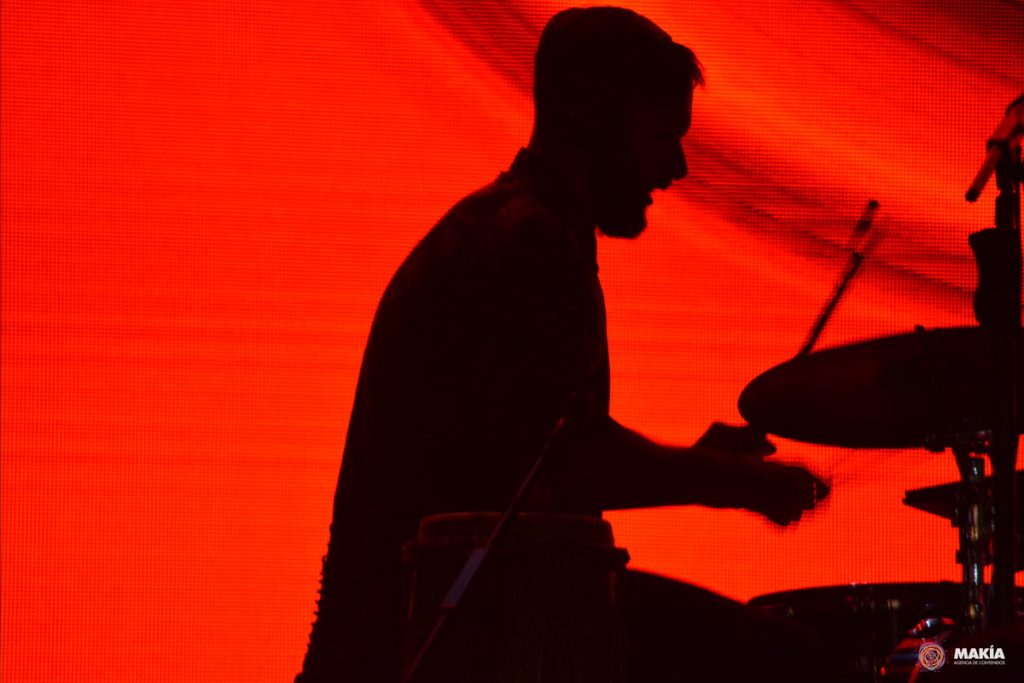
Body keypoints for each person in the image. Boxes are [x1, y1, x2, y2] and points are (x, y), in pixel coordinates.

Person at [297, 7, 828, 682]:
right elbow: (560, 468)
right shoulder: (528, 245)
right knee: (789, 658)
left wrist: (697, 464)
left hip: (434, 626)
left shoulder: (508, 230)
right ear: (584, 111)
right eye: (659, 136)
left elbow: (533, 457)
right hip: (443, 637)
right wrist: (733, 480)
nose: (676, 167)